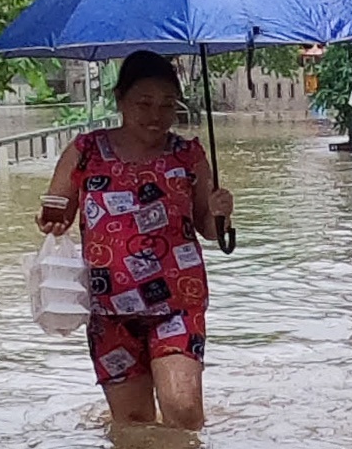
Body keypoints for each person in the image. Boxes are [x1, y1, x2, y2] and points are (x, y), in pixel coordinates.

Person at [37, 51, 233, 429]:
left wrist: (221, 212)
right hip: (109, 310)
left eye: (167, 105)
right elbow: (57, 213)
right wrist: (50, 220)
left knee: (183, 411)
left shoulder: (188, 155)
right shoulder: (85, 152)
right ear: (120, 100)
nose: (155, 115)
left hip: (178, 302)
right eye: (144, 103)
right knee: (133, 423)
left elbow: (209, 229)